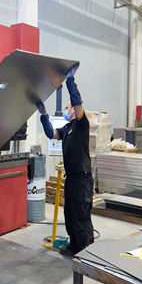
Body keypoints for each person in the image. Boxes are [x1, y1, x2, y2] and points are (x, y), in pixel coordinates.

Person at [36, 65, 94, 256]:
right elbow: (51, 133)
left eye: (68, 107)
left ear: (74, 110)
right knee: (69, 213)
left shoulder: (81, 125)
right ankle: (75, 246)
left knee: (81, 215)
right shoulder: (66, 129)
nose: (67, 109)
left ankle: (86, 251)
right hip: (71, 179)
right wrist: (43, 115)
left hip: (82, 178)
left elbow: (78, 102)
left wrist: (70, 80)